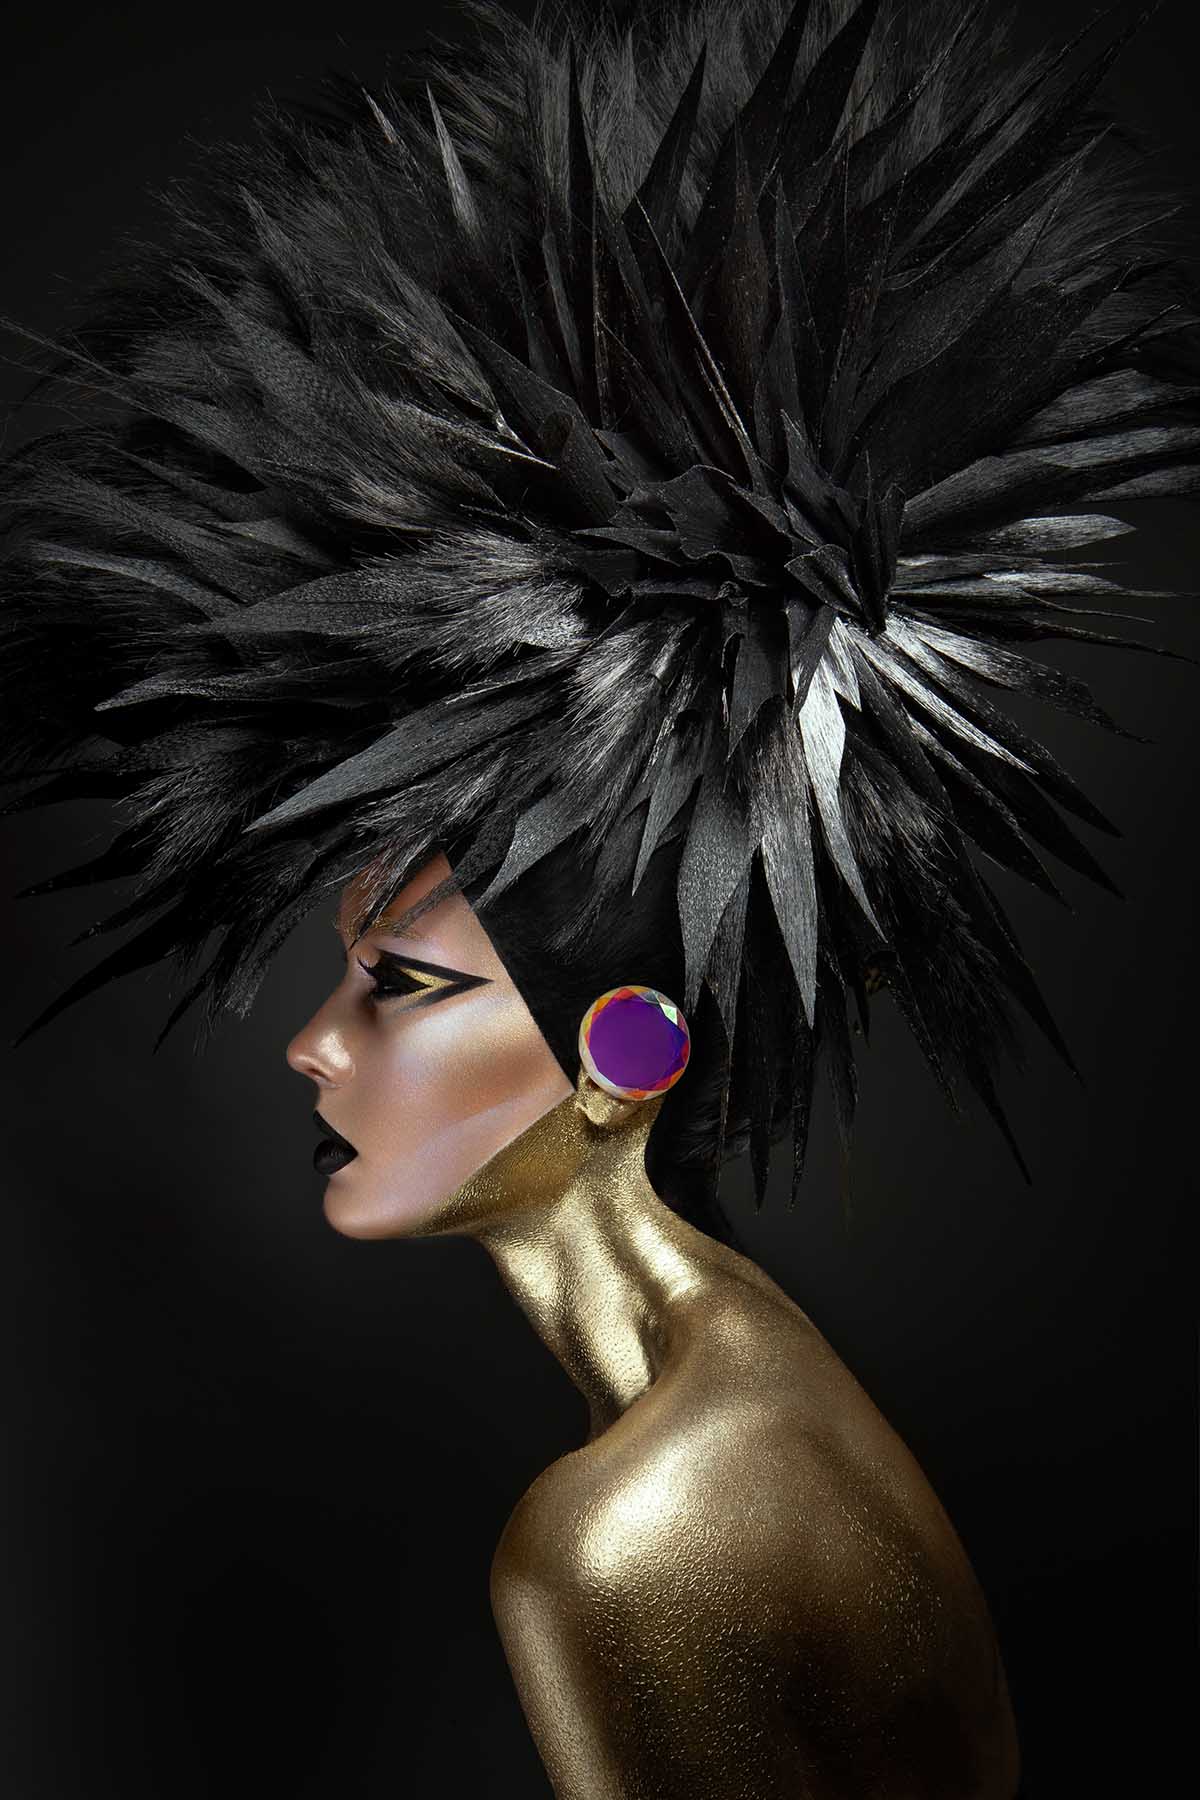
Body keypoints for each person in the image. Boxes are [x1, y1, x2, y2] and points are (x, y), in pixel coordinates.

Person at [3, 1, 1195, 1792]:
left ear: (626, 1054)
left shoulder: (620, 1540)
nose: (312, 1049)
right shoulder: (752, 1367)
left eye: (403, 988)